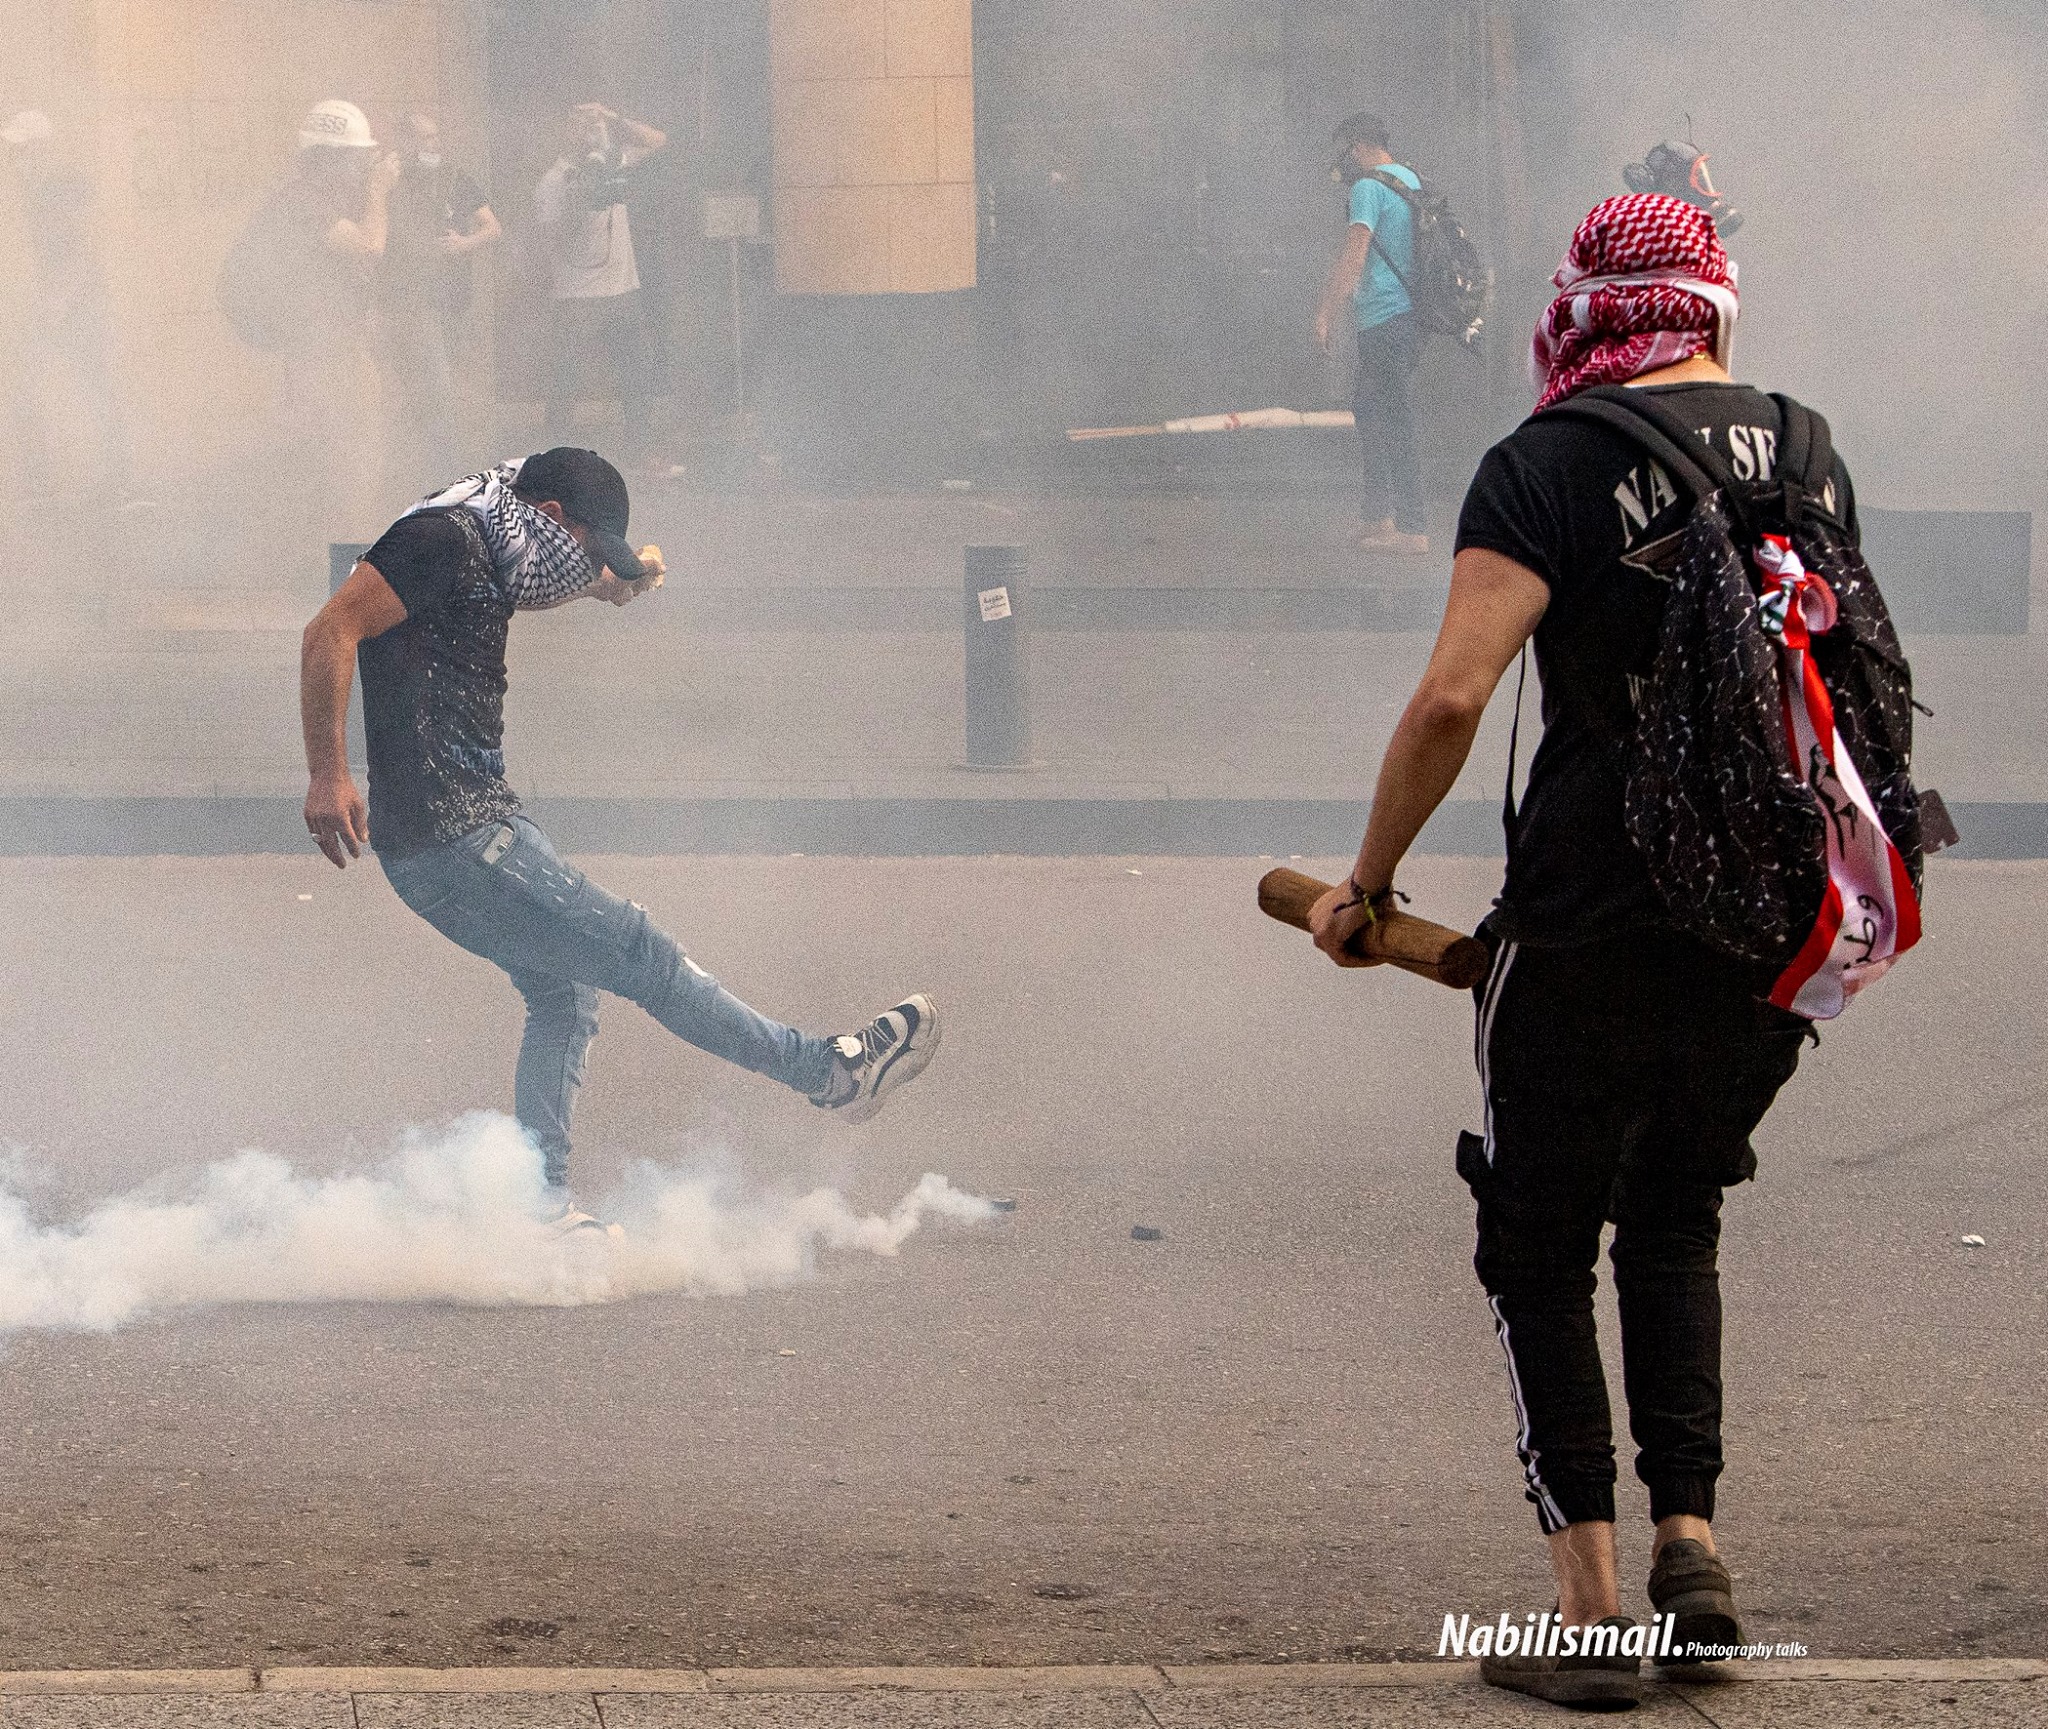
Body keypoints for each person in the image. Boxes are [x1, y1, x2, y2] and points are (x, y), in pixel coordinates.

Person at [1309, 195, 1849, 1710]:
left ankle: (1591, 1613)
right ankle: (1696, 1550)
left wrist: (1368, 883)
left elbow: (1450, 701)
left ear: (1584, 308)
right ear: (1714, 304)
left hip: (1587, 921)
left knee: (1536, 1245)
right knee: (1675, 1219)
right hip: (1764, 918)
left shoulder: (1543, 464)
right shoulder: (1804, 447)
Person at [299, 447, 938, 1227]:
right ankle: (831, 1072)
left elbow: (501, 583)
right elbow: (330, 630)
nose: (581, 566)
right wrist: (328, 774)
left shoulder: (499, 516)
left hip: (450, 840)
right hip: (460, 839)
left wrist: (608, 583)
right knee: (642, 954)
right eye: (586, 549)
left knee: (563, 997)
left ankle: (537, 1208)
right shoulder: (442, 538)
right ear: (555, 518)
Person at [239, 100, 402, 544]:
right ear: (331, 158)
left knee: (338, 459)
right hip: (326, 352)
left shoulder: (315, 198)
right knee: (350, 460)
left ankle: (320, 562)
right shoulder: (305, 203)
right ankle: (340, 573)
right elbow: (370, 246)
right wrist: (379, 192)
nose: (365, 165)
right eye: (357, 156)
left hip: (331, 347)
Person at [2, 109, 142, 501]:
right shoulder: (33, 189)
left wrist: (54, 307)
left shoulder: (57, 187)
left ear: (41, 147)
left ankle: (111, 477)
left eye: (22, 148)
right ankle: (43, 479)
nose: (15, 157)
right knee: (43, 391)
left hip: (75, 308)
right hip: (58, 305)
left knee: (93, 389)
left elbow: (80, 252)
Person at [534, 103, 673, 475]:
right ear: (565, 132)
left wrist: (614, 119)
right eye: (582, 126)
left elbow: (659, 141)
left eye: (595, 126)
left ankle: (641, 454)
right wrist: (579, 205)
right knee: (567, 380)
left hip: (622, 290)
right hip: (577, 296)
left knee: (636, 375)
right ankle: (554, 466)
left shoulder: (615, 165)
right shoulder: (555, 180)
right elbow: (551, 245)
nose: (590, 133)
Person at [1314, 111, 1427, 556]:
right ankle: (1378, 514)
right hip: (1409, 318)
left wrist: (1325, 312)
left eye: (1347, 148)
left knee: (1393, 417)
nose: (1344, 158)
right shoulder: (1411, 180)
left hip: (1383, 317)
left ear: (1360, 144)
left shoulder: (1368, 187)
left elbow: (1354, 256)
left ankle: (1413, 526)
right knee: (1372, 409)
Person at [377, 112, 500, 494]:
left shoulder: (453, 177)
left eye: (434, 137)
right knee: (431, 386)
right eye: (422, 138)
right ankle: (440, 469)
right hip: (407, 299)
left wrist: (463, 244)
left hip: (451, 298)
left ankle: (445, 470)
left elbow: (493, 227)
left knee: (447, 383)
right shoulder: (389, 179)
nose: (431, 145)